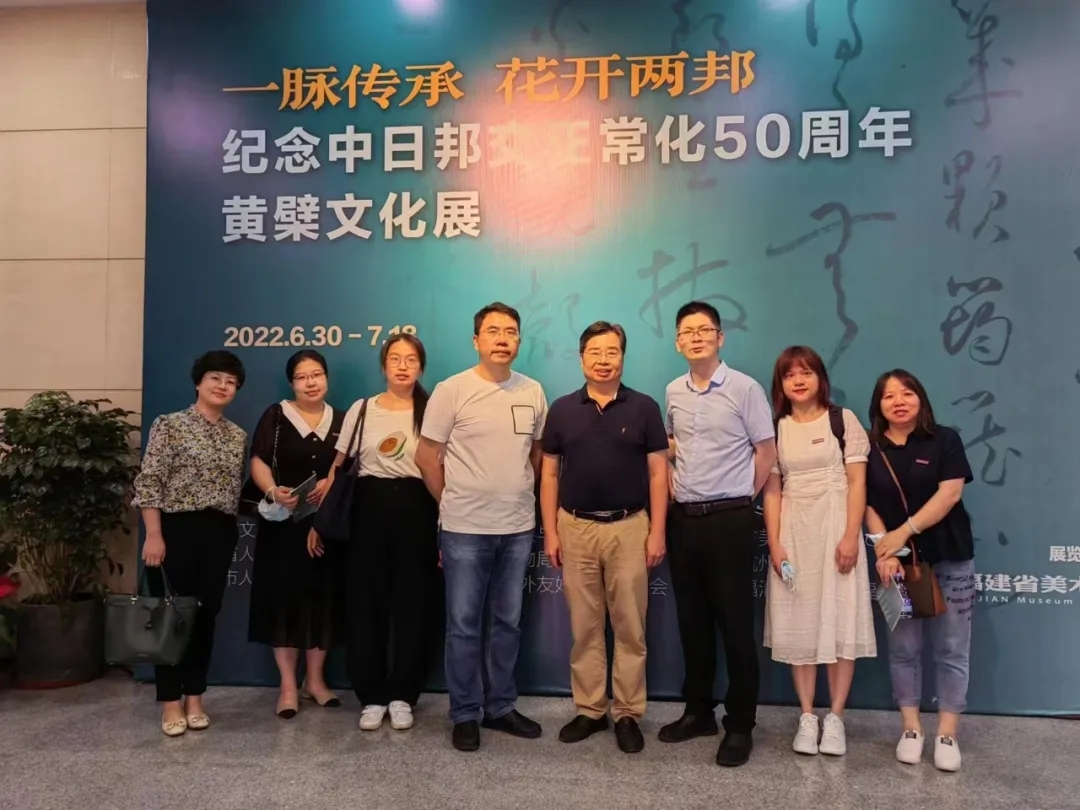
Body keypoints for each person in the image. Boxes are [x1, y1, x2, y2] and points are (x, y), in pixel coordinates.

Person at [415, 302, 548, 752]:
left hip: (517, 527)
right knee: (464, 625)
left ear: (519, 340)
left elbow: (536, 455)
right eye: (493, 331)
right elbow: (426, 457)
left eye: (510, 331)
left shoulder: (533, 391)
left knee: (507, 623)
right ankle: (465, 712)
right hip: (464, 529)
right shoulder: (452, 390)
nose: (502, 339)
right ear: (476, 340)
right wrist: (452, 501)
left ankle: (500, 706)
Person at [539, 321, 669, 754]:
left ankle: (628, 712)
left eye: (612, 352)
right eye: (594, 352)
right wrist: (551, 531)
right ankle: (590, 709)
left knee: (630, 626)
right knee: (585, 625)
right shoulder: (562, 409)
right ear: (581, 359)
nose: (603, 360)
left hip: (630, 527)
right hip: (574, 527)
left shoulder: (644, 407)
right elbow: (549, 474)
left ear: (623, 358)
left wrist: (657, 531)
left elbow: (658, 473)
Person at [661, 301, 776, 767]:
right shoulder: (673, 391)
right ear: (677, 342)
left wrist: (742, 498)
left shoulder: (744, 388)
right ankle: (698, 711)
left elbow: (765, 451)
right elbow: (674, 445)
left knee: (735, 624)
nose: (696, 337)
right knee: (692, 621)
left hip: (730, 519)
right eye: (687, 331)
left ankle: (741, 724)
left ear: (720, 337)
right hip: (684, 519)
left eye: (704, 330)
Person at [308, 334, 440, 733]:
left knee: (413, 605)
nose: (403, 366)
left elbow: (442, 468)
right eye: (395, 359)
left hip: (418, 509)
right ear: (383, 366)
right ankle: (371, 695)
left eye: (411, 359)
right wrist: (319, 520)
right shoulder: (363, 409)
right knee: (366, 605)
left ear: (421, 367)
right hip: (367, 510)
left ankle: (403, 695)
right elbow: (338, 468)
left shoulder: (432, 409)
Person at [761, 346, 876, 757]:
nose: (798, 380)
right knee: (800, 622)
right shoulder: (775, 428)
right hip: (794, 531)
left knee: (840, 621)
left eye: (806, 372)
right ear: (781, 384)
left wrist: (850, 536)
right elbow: (772, 490)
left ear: (820, 378)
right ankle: (807, 716)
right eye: (790, 374)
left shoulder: (842, 420)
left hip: (836, 527)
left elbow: (858, 482)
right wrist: (775, 543)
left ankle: (836, 718)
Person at [865, 369, 976, 773]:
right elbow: (866, 503)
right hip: (896, 564)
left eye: (907, 393)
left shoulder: (945, 440)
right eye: (889, 396)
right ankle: (911, 729)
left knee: (952, 648)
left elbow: (950, 494)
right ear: (878, 406)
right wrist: (885, 548)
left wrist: (903, 533)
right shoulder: (870, 448)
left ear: (920, 398)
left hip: (950, 556)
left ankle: (947, 734)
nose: (899, 401)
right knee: (904, 649)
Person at [133, 350, 248, 737]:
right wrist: (154, 534)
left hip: (220, 532)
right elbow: (150, 482)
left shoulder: (237, 436)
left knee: (204, 616)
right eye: (215, 378)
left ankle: (195, 696)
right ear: (199, 382)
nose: (223, 386)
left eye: (231, 382)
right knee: (169, 618)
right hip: (176, 529)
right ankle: (170, 701)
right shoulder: (169, 425)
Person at [246, 350, 345, 718]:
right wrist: (273, 491)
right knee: (284, 601)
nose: (310, 382)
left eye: (317, 374)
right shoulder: (276, 415)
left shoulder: (342, 420)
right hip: (284, 526)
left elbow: (349, 465)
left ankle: (315, 681)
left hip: (327, 526)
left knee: (323, 599)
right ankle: (288, 685)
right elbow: (257, 460)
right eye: (302, 377)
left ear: (327, 378)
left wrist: (331, 482)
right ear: (292, 383)